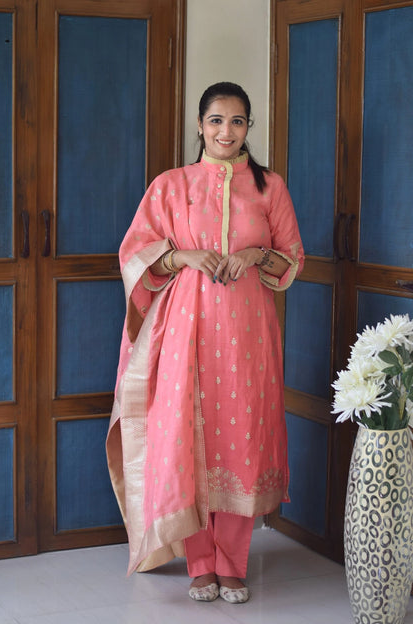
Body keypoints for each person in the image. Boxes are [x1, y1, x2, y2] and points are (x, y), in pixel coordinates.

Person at [106, 81, 304, 604]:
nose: (226, 131)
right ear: (199, 125)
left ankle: (233, 564)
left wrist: (258, 255)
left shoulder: (270, 188)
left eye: (237, 121)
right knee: (185, 442)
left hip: (247, 337)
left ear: (248, 128)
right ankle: (200, 564)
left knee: (240, 441)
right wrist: (182, 257)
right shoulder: (171, 185)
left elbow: (292, 258)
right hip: (185, 334)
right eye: (216, 120)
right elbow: (135, 251)